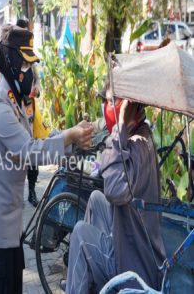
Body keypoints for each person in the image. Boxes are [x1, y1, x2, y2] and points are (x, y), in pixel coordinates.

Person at [0, 25, 93, 294]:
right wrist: (69, 138)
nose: (31, 74)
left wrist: (73, 138)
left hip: (11, 222)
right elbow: (30, 152)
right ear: (12, 64)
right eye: (26, 67)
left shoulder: (17, 102)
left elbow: (43, 137)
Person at [64, 85, 166, 293]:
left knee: (81, 233)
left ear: (129, 107)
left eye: (112, 102)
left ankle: (80, 281)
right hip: (127, 234)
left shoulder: (136, 143)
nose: (106, 107)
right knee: (95, 198)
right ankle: (87, 275)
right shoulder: (140, 132)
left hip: (133, 260)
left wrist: (119, 127)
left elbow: (114, 189)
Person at [16, 18, 41, 207]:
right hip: (15, 111)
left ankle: (32, 191)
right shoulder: (13, 58)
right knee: (17, 151)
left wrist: (36, 90)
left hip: (30, 110)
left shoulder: (32, 60)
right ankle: (16, 192)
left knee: (33, 152)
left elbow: (38, 82)